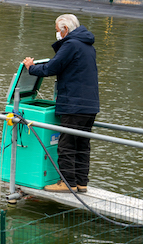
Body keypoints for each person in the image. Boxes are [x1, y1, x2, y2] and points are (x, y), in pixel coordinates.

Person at [22, 14, 99, 193]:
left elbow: (51, 67)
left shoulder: (71, 44)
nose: (57, 34)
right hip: (90, 104)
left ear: (65, 30)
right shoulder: (87, 45)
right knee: (82, 144)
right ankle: (81, 182)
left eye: (57, 31)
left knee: (66, 144)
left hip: (74, 104)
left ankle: (67, 182)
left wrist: (30, 68)